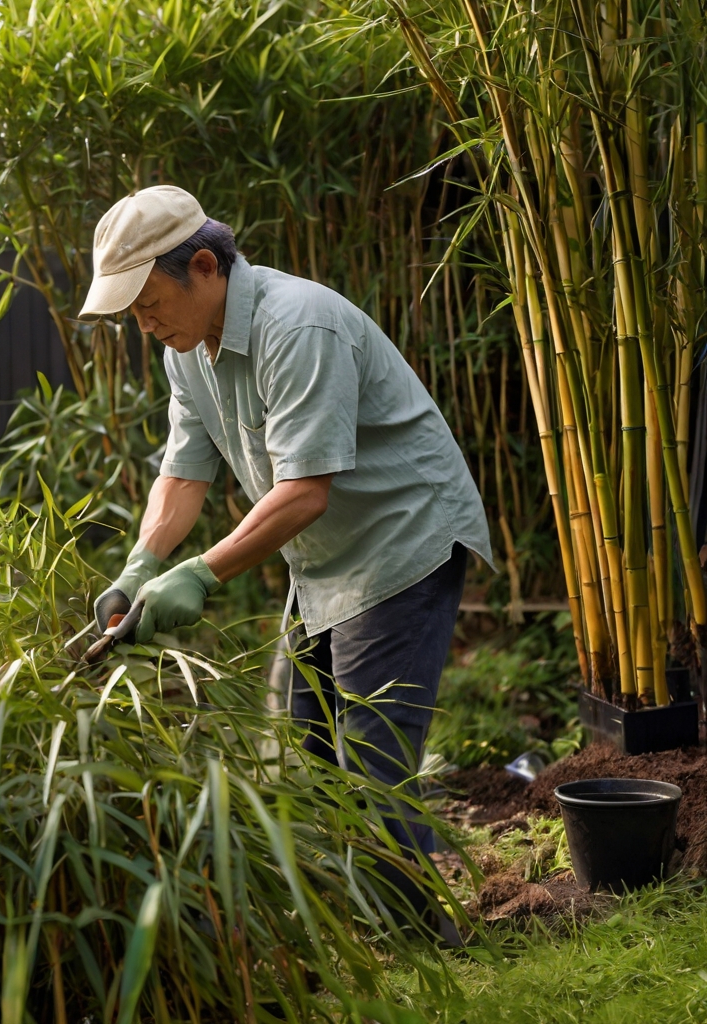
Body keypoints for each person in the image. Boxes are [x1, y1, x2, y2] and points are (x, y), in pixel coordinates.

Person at [80, 184, 492, 881]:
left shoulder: (296, 325)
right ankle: (356, 917)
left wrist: (202, 573)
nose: (144, 324)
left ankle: (419, 938)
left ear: (205, 267)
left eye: (148, 303)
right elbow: (183, 473)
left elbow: (303, 492)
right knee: (298, 744)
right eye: (133, 313)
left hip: (400, 540)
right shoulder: (185, 349)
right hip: (325, 560)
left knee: (370, 760)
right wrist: (141, 565)